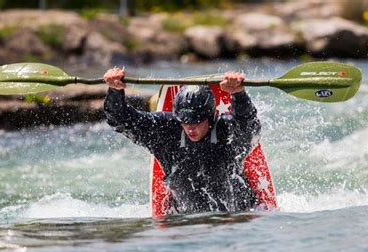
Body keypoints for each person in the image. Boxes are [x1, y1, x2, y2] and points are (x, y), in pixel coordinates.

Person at [104, 67, 261, 215]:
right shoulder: (165, 129)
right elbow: (120, 120)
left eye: (197, 121)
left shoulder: (226, 130)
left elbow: (250, 129)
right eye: (185, 121)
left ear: (211, 117)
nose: (190, 128)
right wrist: (115, 91)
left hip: (238, 213)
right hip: (184, 216)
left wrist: (239, 95)